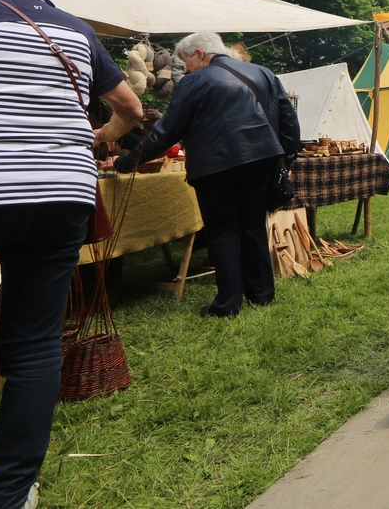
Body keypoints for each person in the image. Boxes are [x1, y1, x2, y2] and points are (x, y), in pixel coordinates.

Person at [0, 0, 143, 509]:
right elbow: (131, 107)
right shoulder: (77, 30)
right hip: (63, 192)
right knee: (35, 345)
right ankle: (10, 493)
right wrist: (98, 137)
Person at [106, 31, 300, 318]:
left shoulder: (194, 82)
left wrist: (124, 163)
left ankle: (228, 305)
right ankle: (262, 296)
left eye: (186, 62)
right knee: (253, 226)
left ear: (199, 54)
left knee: (223, 231)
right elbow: (289, 121)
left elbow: (165, 134)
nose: (186, 69)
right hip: (262, 160)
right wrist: (286, 157)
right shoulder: (263, 73)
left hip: (215, 167)